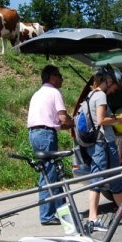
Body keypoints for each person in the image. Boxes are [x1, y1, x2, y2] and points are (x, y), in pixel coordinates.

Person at [85, 65, 122, 231]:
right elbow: (101, 121)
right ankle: (93, 218)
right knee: (98, 179)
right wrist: (118, 120)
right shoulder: (100, 96)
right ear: (108, 81)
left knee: (114, 178)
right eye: (114, 86)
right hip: (103, 143)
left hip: (101, 142)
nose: (114, 90)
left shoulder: (91, 94)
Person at [27, 65, 74, 226]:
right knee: (49, 175)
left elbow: (54, 122)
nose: (62, 78)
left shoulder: (38, 94)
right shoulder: (54, 92)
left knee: (51, 172)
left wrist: (66, 125)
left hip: (35, 134)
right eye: (60, 75)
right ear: (52, 77)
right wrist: (75, 123)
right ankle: (47, 216)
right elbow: (63, 118)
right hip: (46, 135)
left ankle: (63, 213)